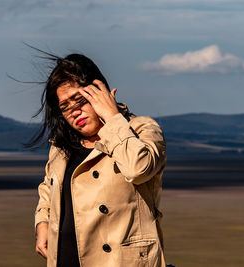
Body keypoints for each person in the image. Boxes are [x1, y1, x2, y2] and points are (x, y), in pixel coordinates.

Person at [28, 50, 167, 267]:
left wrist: (112, 117)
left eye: (80, 100)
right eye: (65, 107)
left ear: (100, 91)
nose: (74, 111)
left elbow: (137, 169)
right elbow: (49, 187)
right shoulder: (61, 145)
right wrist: (42, 222)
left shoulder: (142, 129)